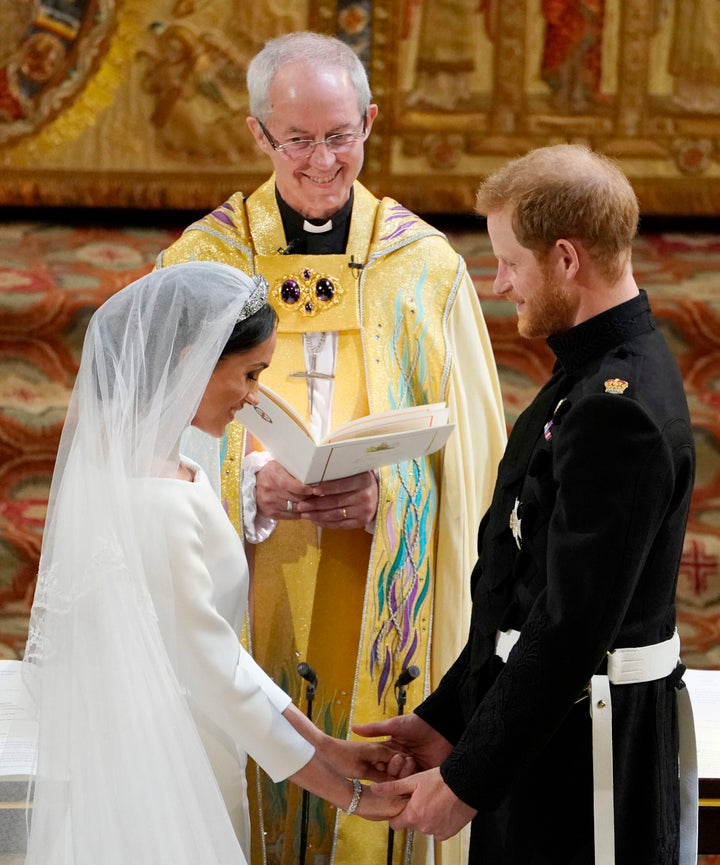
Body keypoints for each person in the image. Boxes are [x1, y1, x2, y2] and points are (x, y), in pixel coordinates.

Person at [157, 30, 507, 865]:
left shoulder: (424, 268)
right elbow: (146, 443)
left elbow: (480, 467)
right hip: (243, 574)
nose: (323, 160)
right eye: (300, 139)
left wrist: (394, 499)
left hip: (383, 585)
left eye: (341, 135)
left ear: (371, 122)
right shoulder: (200, 265)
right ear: (258, 136)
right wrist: (248, 488)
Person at [358, 144, 697, 865]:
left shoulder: (618, 410)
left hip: (587, 752)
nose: (500, 280)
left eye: (511, 259)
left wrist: (467, 780)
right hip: (549, 730)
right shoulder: (588, 371)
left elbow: (570, 628)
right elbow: (520, 589)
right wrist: (450, 718)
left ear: (566, 259)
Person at [21, 262, 408, 865]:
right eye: (250, 375)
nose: (255, 397)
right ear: (188, 360)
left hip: (191, 749)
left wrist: (328, 746)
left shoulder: (167, 465)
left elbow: (220, 652)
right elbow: (213, 673)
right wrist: (349, 796)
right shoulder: (154, 497)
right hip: (164, 777)